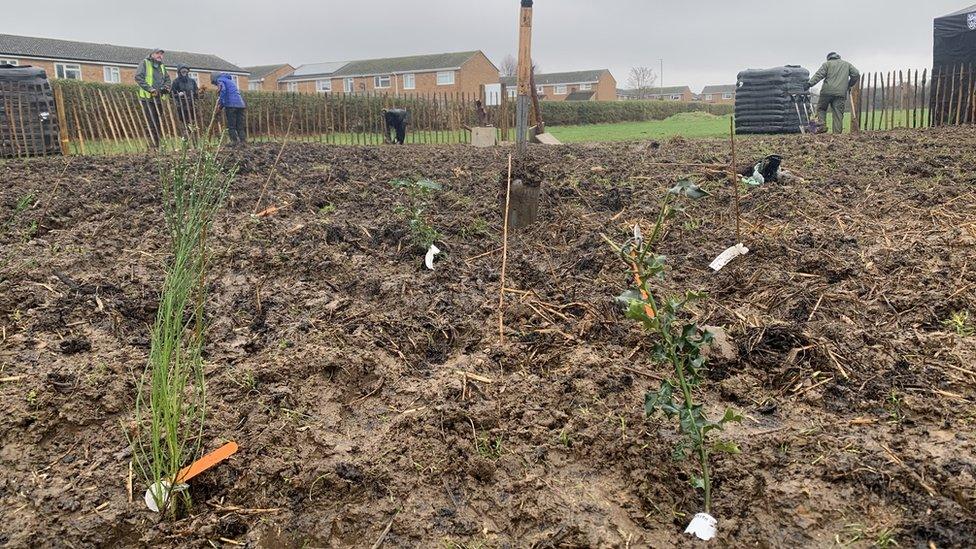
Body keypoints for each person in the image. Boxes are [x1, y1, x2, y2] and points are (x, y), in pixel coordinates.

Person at [806, 52, 860, 134]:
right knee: (838, 114)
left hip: (826, 92)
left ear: (829, 58)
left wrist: (810, 84)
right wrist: (849, 84)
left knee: (821, 108)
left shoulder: (827, 64)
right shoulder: (847, 64)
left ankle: (822, 125)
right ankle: (837, 135)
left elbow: (819, 75)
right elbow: (856, 74)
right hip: (840, 94)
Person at [135, 49, 171, 148]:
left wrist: (166, 87)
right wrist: (150, 89)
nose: (160, 56)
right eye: (157, 53)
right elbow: (138, 77)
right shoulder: (145, 63)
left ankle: (157, 145)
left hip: (159, 99)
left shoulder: (162, 66)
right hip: (147, 98)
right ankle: (151, 146)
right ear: (152, 54)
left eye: (161, 54)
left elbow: (168, 79)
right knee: (151, 122)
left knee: (158, 123)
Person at [211, 72, 246, 146]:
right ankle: (243, 141)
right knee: (240, 125)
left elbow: (223, 91)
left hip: (231, 105)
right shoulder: (229, 81)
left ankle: (234, 142)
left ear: (214, 78)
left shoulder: (220, 80)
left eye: (215, 83)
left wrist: (220, 105)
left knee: (231, 125)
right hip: (241, 105)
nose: (216, 85)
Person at [170, 65, 199, 136]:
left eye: (186, 71)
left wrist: (198, 94)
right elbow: (171, 94)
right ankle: (185, 138)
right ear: (179, 72)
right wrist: (178, 95)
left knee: (192, 123)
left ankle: (194, 139)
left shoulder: (192, 81)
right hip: (181, 106)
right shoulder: (176, 82)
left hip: (191, 105)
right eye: (182, 71)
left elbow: (196, 92)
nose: (184, 73)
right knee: (184, 124)